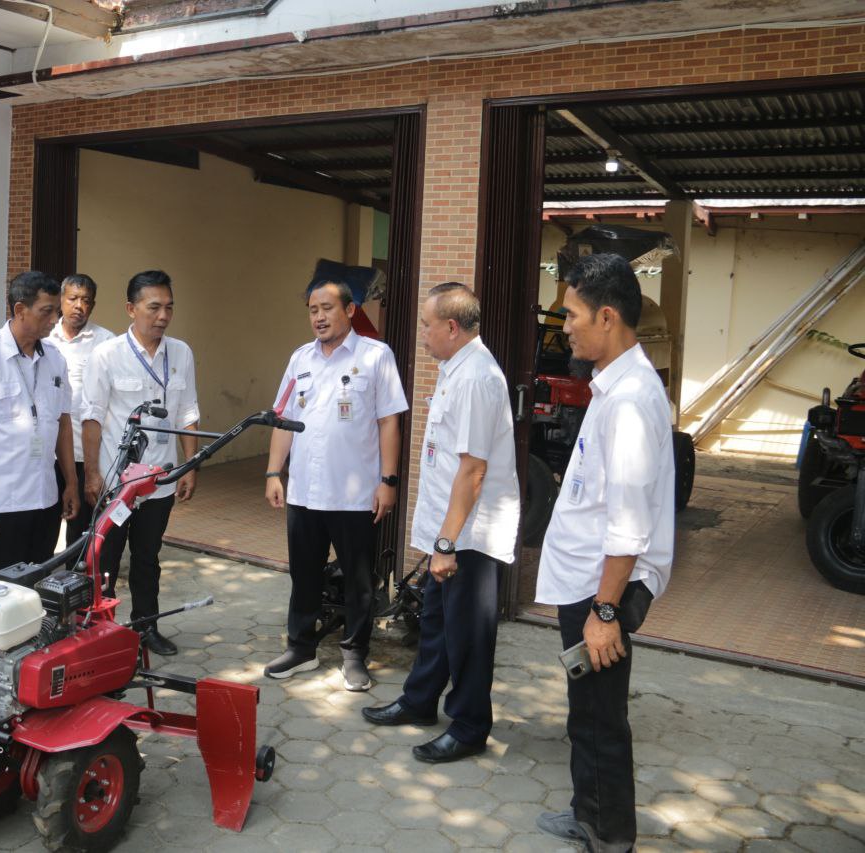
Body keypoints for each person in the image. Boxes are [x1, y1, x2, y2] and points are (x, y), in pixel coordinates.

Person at [534, 253, 674, 853]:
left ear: (608, 317)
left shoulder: (630, 400)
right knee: (586, 712)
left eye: (572, 315)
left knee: (599, 716)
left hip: (601, 588)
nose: (565, 326)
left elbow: (629, 525)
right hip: (587, 581)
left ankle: (611, 836)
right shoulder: (614, 386)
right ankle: (587, 813)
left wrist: (605, 612)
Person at [362, 283, 519, 761]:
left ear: (451, 327)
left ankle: (469, 726)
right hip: (448, 532)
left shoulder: (476, 379)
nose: (422, 334)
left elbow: (473, 470)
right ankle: (420, 700)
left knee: (468, 635)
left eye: (427, 325)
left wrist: (448, 544)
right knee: (436, 622)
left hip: (469, 536)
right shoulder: (457, 369)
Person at [261, 280, 408, 691]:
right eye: (313, 310)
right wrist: (273, 473)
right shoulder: (300, 359)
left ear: (350, 310)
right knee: (303, 575)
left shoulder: (376, 356)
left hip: (355, 494)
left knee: (359, 581)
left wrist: (388, 481)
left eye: (327, 308)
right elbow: (283, 420)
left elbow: (389, 422)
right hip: (305, 491)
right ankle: (301, 648)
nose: (319, 317)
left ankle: (355, 654)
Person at [82, 270, 199, 656]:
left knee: (148, 559)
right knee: (106, 559)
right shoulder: (107, 355)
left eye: (169, 308)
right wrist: (92, 474)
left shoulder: (181, 353)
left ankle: (146, 628)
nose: (163, 316)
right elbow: (92, 417)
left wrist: (190, 465)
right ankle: (100, 633)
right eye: (154, 307)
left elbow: (187, 412)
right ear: (131, 309)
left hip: (160, 480)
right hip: (116, 483)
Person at [0, 272, 77, 582]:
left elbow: (62, 424)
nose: (54, 320)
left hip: (44, 501)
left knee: (33, 593)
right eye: (46, 311)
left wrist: (71, 482)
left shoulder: (55, 359)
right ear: (20, 310)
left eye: (56, 311)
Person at [48, 273, 115, 545]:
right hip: (47, 453)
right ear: (60, 300)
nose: (79, 306)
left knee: (81, 529)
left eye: (86, 300)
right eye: (73, 298)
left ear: (93, 305)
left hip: (85, 452)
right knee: (46, 523)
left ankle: (76, 570)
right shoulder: (46, 337)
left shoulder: (106, 342)